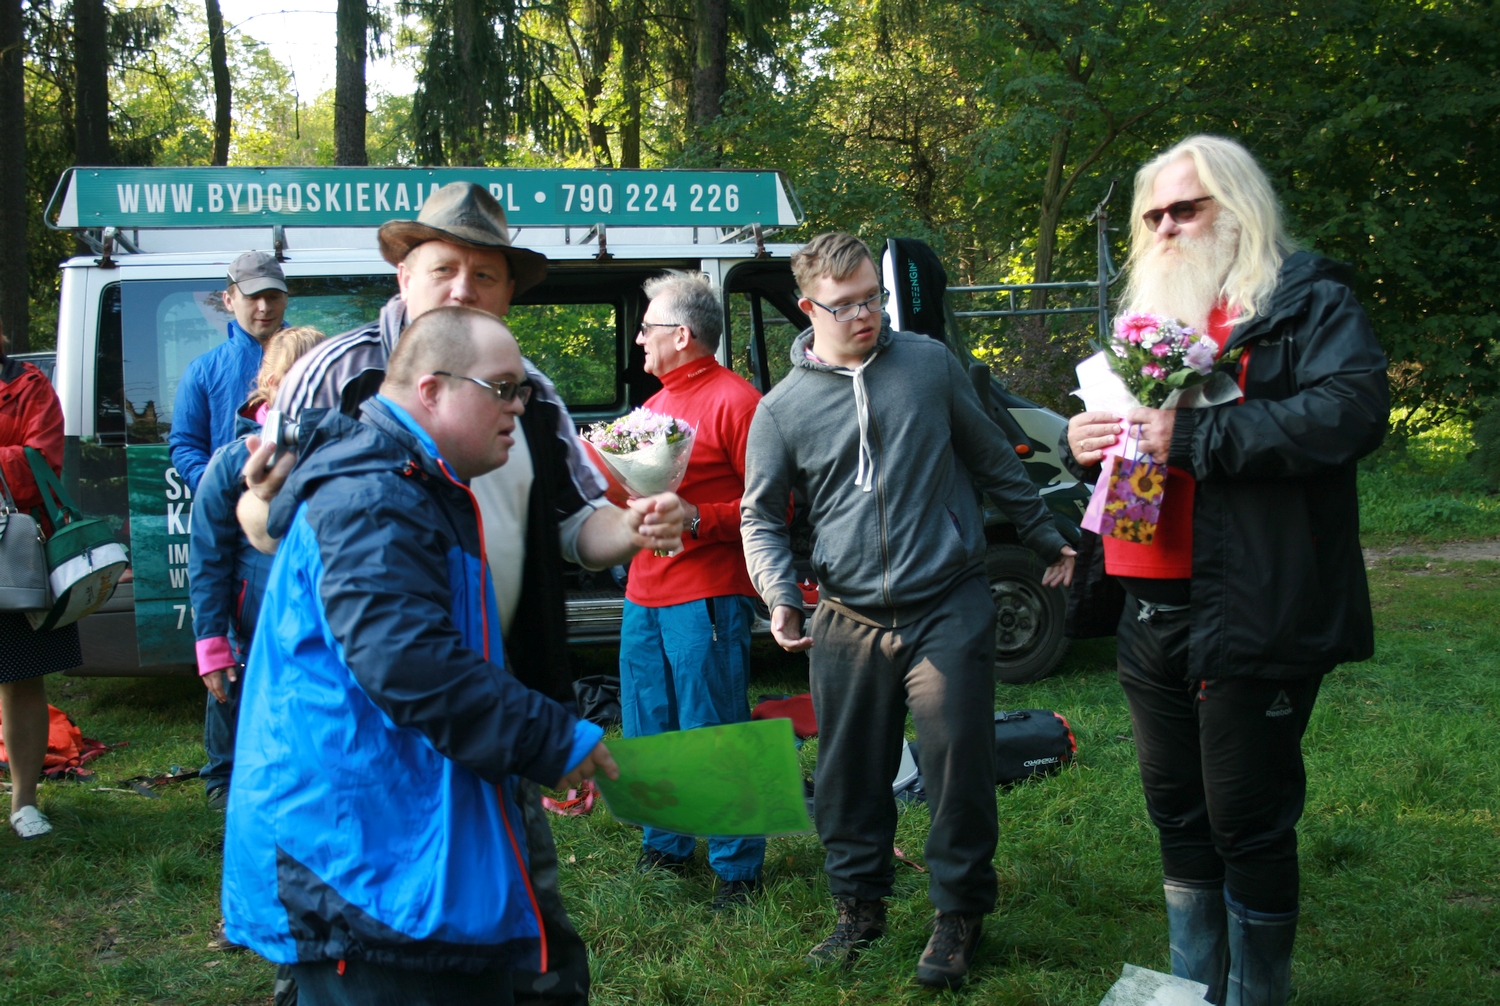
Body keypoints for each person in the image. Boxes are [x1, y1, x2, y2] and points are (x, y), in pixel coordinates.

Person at [239, 181, 684, 1006]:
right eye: (445, 268)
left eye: (485, 276)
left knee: (512, 925)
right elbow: (274, 524)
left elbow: (573, 523)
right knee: (377, 938)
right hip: (374, 730)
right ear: (404, 274)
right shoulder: (336, 382)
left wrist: (634, 526)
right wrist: (264, 502)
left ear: (508, 292)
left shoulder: (526, 389)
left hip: (489, 702)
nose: (461, 289)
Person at [1062, 135, 1388, 1006]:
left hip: (1252, 603)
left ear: (1237, 207)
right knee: (1175, 809)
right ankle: (1191, 988)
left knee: (1246, 817)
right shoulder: (1152, 317)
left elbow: (1352, 412)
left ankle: (1255, 994)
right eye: (1153, 216)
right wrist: (1081, 442)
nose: (1166, 227)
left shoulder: (1306, 300)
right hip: (1145, 600)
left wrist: (1197, 435)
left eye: (1185, 208)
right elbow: (1130, 450)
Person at [740, 232, 1077, 990]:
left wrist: (1044, 534)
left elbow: (991, 456)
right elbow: (759, 516)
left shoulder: (928, 365)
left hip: (947, 600)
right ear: (808, 308)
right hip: (848, 617)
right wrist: (780, 594)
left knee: (957, 762)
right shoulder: (782, 408)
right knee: (848, 774)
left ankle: (958, 915)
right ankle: (859, 909)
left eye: (873, 298)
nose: (865, 315)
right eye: (845, 305)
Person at [617, 271, 766, 908]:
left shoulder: (739, 402)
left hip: (705, 592)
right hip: (643, 591)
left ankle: (737, 868)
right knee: (648, 721)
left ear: (681, 335)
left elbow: (774, 506)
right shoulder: (651, 408)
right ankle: (665, 844)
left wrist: (699, 517)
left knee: (713, 726)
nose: (639, 341)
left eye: (646, 328)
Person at [189, 326, 327, 811]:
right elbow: (207, 557)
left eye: (319, 381)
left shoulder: (337, 455)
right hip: (250, 616)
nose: (308, 395)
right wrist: (213, 644)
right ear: (270, 383)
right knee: (232, 687)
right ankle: (223, 778)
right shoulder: (231, 461)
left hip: (314, 613)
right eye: (295, 380)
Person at [0, 334, 81, 839]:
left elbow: (40, 463)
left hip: (14, 554)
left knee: (22, 677)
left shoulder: (30, 385)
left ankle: (24, 803)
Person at [170, 250, 289, 491]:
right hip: (232, 508)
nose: (265, 307)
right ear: (228, 300)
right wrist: (216, 490)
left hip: (301, 505)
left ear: (286, 298)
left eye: (273, 296)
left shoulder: (316, 359)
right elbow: (186, 446)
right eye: (252, 297)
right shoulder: (203, 371)